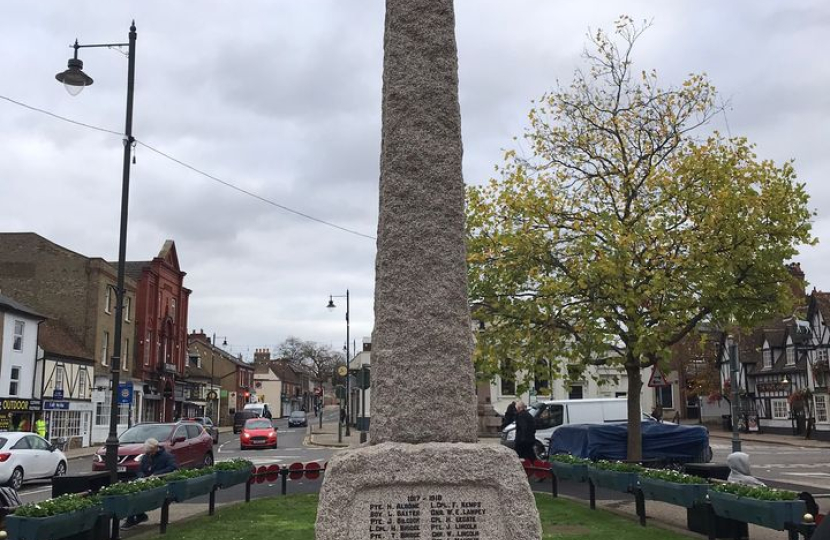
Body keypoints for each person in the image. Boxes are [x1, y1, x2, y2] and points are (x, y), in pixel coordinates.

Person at [121, 438, 179, 530]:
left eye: (151, 451)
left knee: (138, 495)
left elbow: (173, 467)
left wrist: (156, 474)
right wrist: (141, 475)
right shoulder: (146, 457)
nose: (149, 453)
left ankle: (133, 519)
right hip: (146, 481)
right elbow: (139, 470)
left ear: (156, 448)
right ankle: (138, 516)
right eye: (148, 452)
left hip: (159, 482)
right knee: (133, 493)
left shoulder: (166, 456)